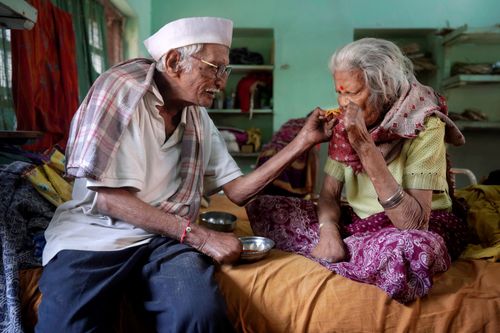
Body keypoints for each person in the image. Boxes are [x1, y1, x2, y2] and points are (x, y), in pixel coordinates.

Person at [36, 17, 334, 333]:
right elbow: (109, 201)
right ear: (175, 61)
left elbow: (237, 190)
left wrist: (303, 142)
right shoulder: (123, 96)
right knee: (65, 326)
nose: (222, 82)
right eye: (214, 68)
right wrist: (200, 236)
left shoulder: (196, 118)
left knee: (200, 316)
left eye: (225, 70)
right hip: (96, 235)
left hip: (163, 237)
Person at [246, 38, 469, 303]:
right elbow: (328, 194)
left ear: (384, 89)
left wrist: (364, 145)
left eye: (352, 93)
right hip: (357, 223)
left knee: (408, 250)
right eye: (339, 92)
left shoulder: (424, 123)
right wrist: (329, 231)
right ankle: (352, 250)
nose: (342, 102)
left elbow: (413, 223)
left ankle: (355, 251)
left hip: (418, 226)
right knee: (263, 207)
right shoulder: (346, 122)